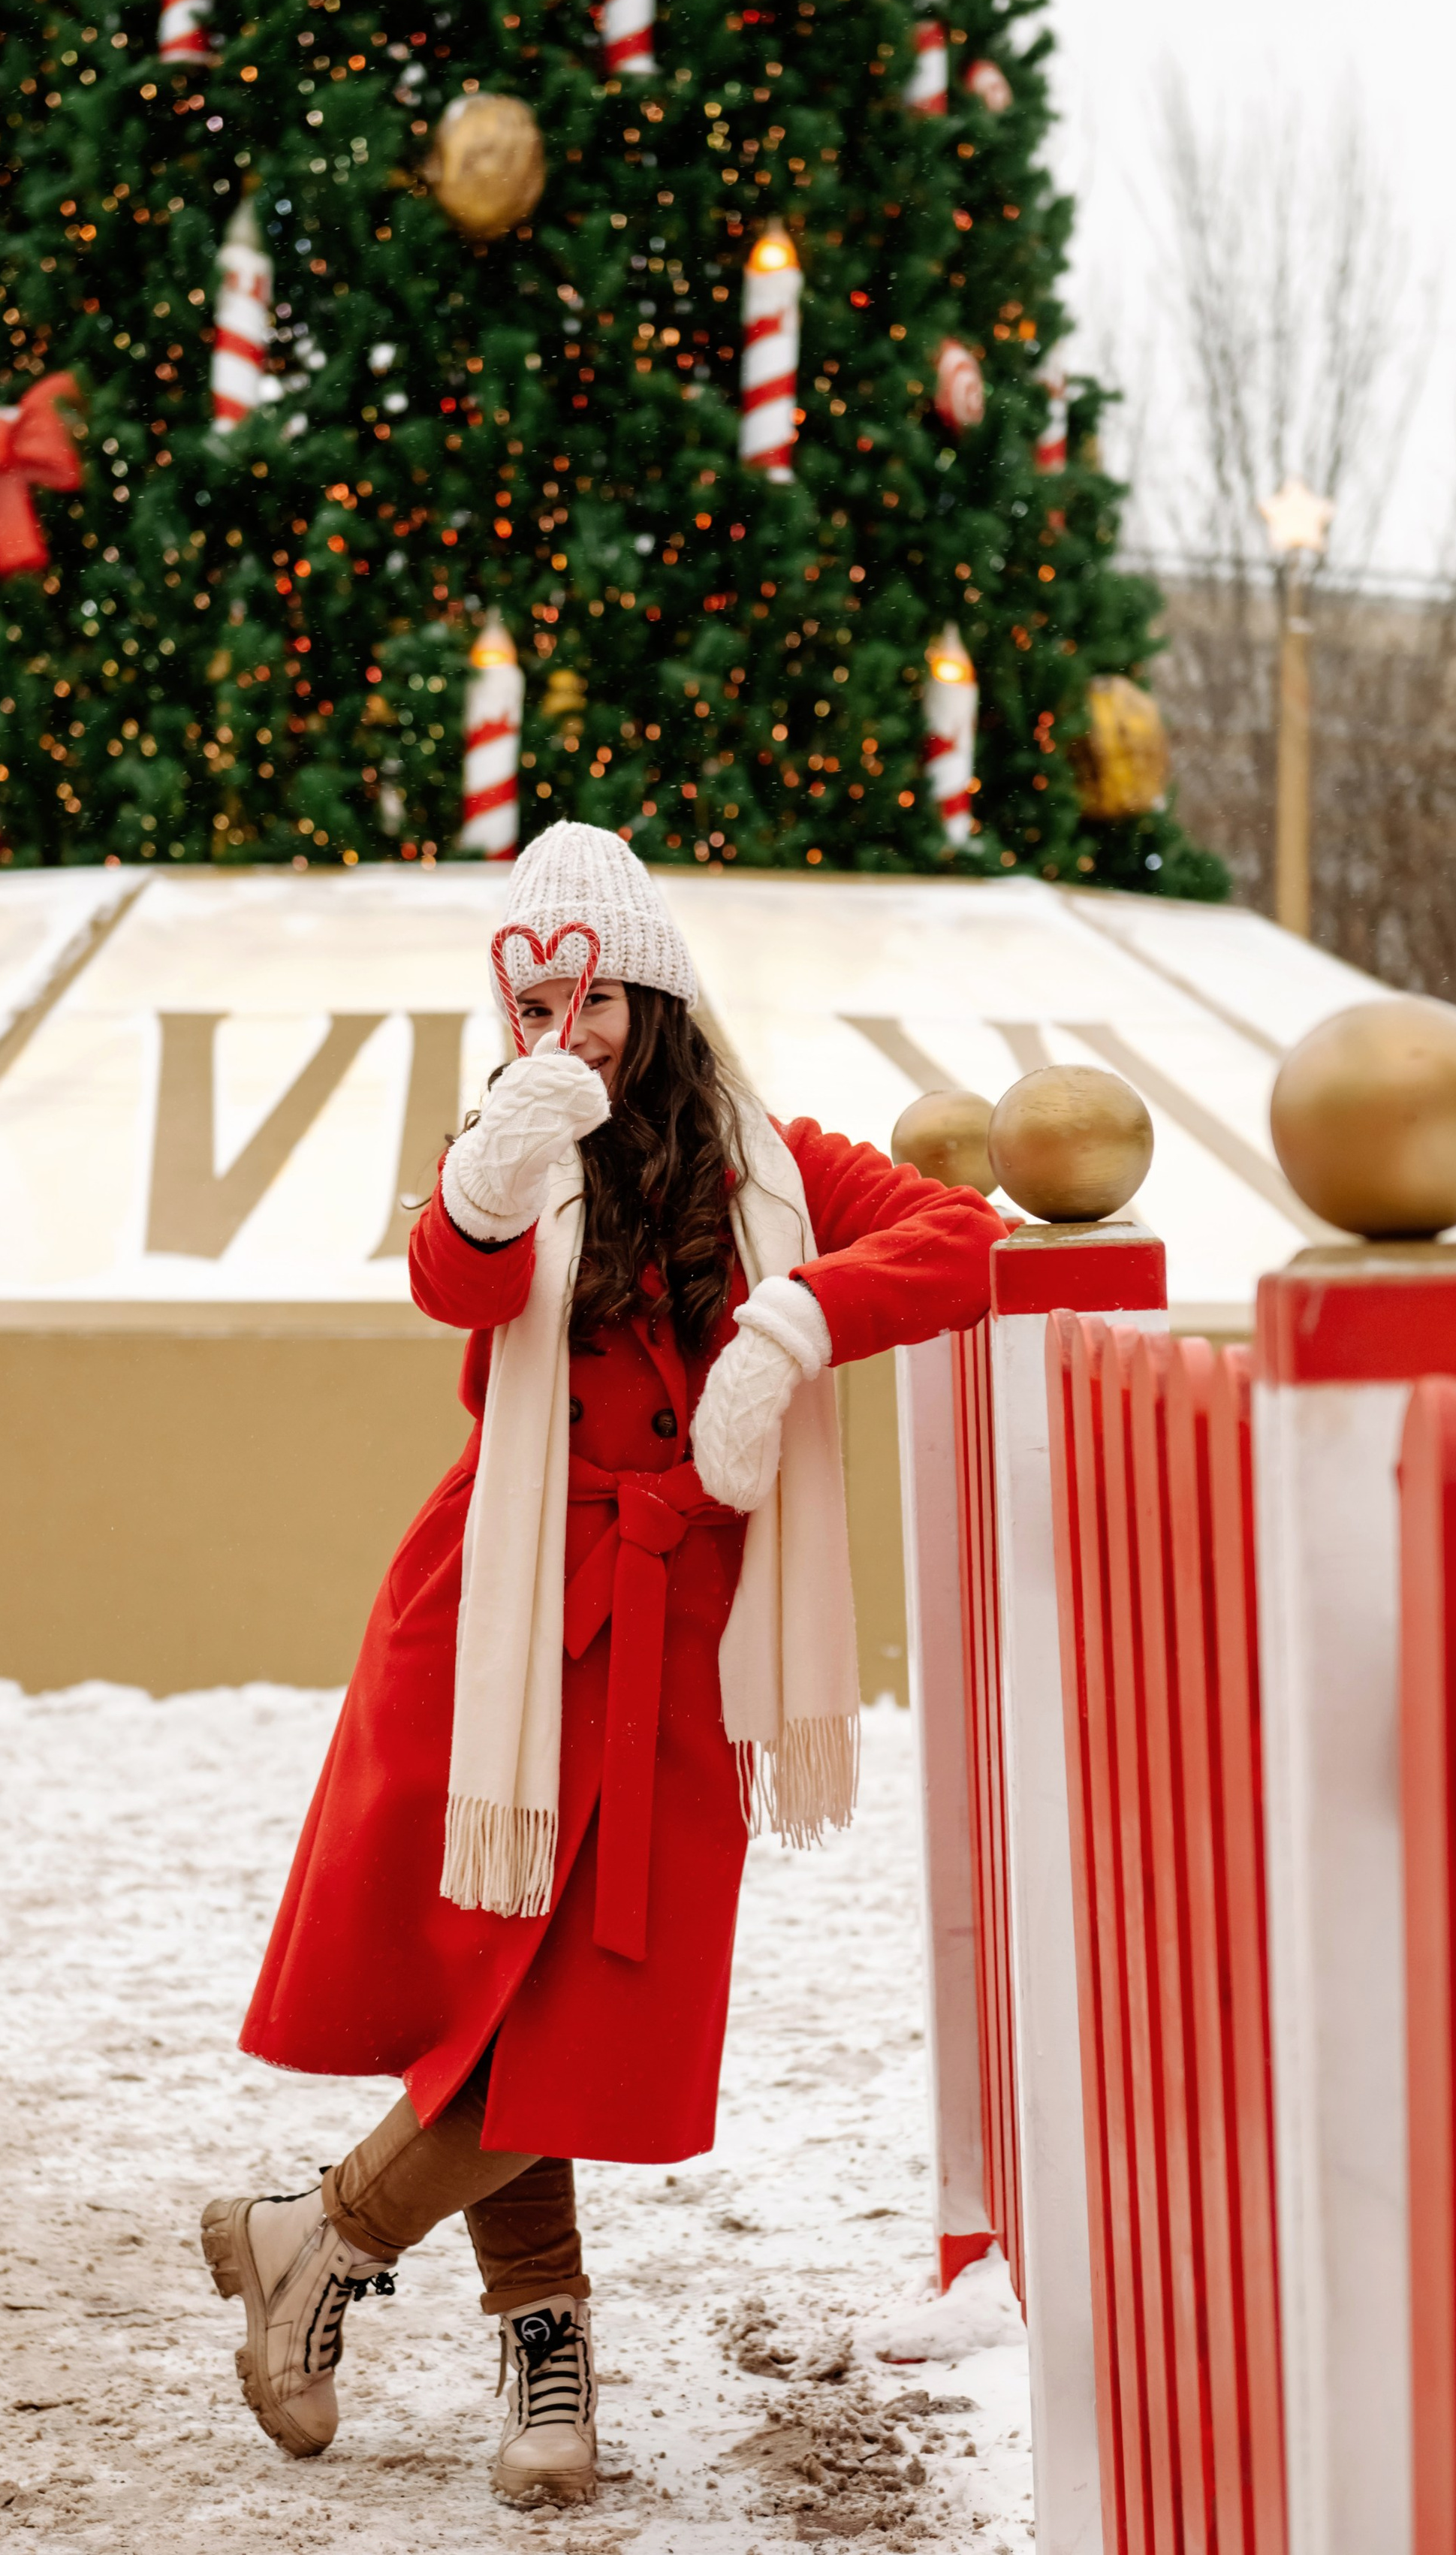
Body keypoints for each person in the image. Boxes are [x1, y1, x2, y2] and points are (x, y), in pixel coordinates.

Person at [200, 822, 1000, 2504]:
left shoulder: (771, 1166)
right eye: (537, 997)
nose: (571, 1030)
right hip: (492, 1625)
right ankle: (543, 2361)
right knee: (505, 1994)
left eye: (598, 996)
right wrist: (493, 1166)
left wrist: (785, 1332)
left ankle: (315, 2233)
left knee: (588, 2010)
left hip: (672, 1646)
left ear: (650, 989)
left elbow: (959, 1241)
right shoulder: (509, 1135)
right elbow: (446, 1278)